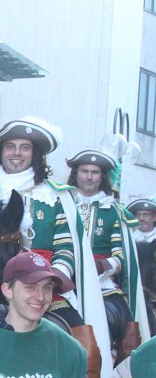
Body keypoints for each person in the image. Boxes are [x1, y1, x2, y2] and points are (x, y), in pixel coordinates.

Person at [0, 119, 111, 378]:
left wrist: (48, 281)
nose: (17, 154)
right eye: (10, 147)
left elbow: (66, 246)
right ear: (0, 153)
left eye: (24, 148)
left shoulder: (57, 196)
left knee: (86, 345)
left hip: (43, 289)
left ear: (34, 155)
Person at [66, 149, 148, 362]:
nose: (89, 176)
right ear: (76, 174)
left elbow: (121, 257)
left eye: (95, 172)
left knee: (126, 320)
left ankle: (123, 367)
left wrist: (103, 266)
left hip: (101, 281)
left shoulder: (113, 210)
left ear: (102, 177)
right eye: (85, 171)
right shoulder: (63, 203)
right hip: (64, 276)